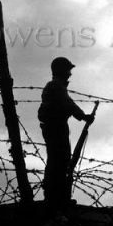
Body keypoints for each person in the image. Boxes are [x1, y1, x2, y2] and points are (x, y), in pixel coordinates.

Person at [38, 57, 94, 213]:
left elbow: (67, 103)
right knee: (60, 161)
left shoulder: (57, 86)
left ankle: (55, 197)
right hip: (56, 129)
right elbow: (67, 104)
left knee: (58, 161)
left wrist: (82, 116)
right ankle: (56, 199)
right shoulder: (56, 87)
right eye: (68, 70)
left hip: (55, 128)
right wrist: (83, 116)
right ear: (62, 71)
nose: (70, 73)